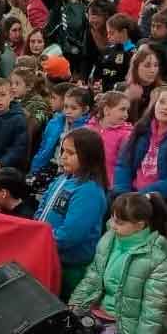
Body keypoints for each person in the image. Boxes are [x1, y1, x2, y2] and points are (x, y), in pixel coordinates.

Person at [69, 192, 167, 334]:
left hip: (128, 327)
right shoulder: (109, 239)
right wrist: (75, 305)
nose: (112, 226)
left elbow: (153, 312)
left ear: (140, 225)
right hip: (100, 312)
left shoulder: (161, 258)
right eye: (112, 219)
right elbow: (92, 278)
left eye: (119, 223)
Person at [35, 127, 109, 298]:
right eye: (63, 151)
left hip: (70, 267)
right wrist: (36, 231)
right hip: (50, 255)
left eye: (71, 152)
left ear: (89, 157)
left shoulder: (89, 191)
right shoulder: (63, 178)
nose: (63, 156)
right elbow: (42, 207)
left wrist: (42, 240)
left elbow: (71, 234)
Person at [115, 85, 167, 216]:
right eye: (161, 102)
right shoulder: (141, 129)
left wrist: (140, 196)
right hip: (131, 194)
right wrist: (123, 192)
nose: (165, 107)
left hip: (164, 201)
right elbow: (124, 164)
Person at [30, 86, 93, 179]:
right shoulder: (54, 123)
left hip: (70, 174)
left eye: (73, 108)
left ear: (85, 110)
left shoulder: (87, 130)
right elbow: (44, 148)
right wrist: (35, 168)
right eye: (66, 107)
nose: (68, 111)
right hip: (49, 167)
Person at [86, 91, 133, 190]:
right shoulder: (88, 128)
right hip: (85, 180)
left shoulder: (126, 135)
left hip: (108, 186)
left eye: (127, 110)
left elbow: (124, 165)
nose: (126, 114)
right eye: (122, 109)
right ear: (107, 110)